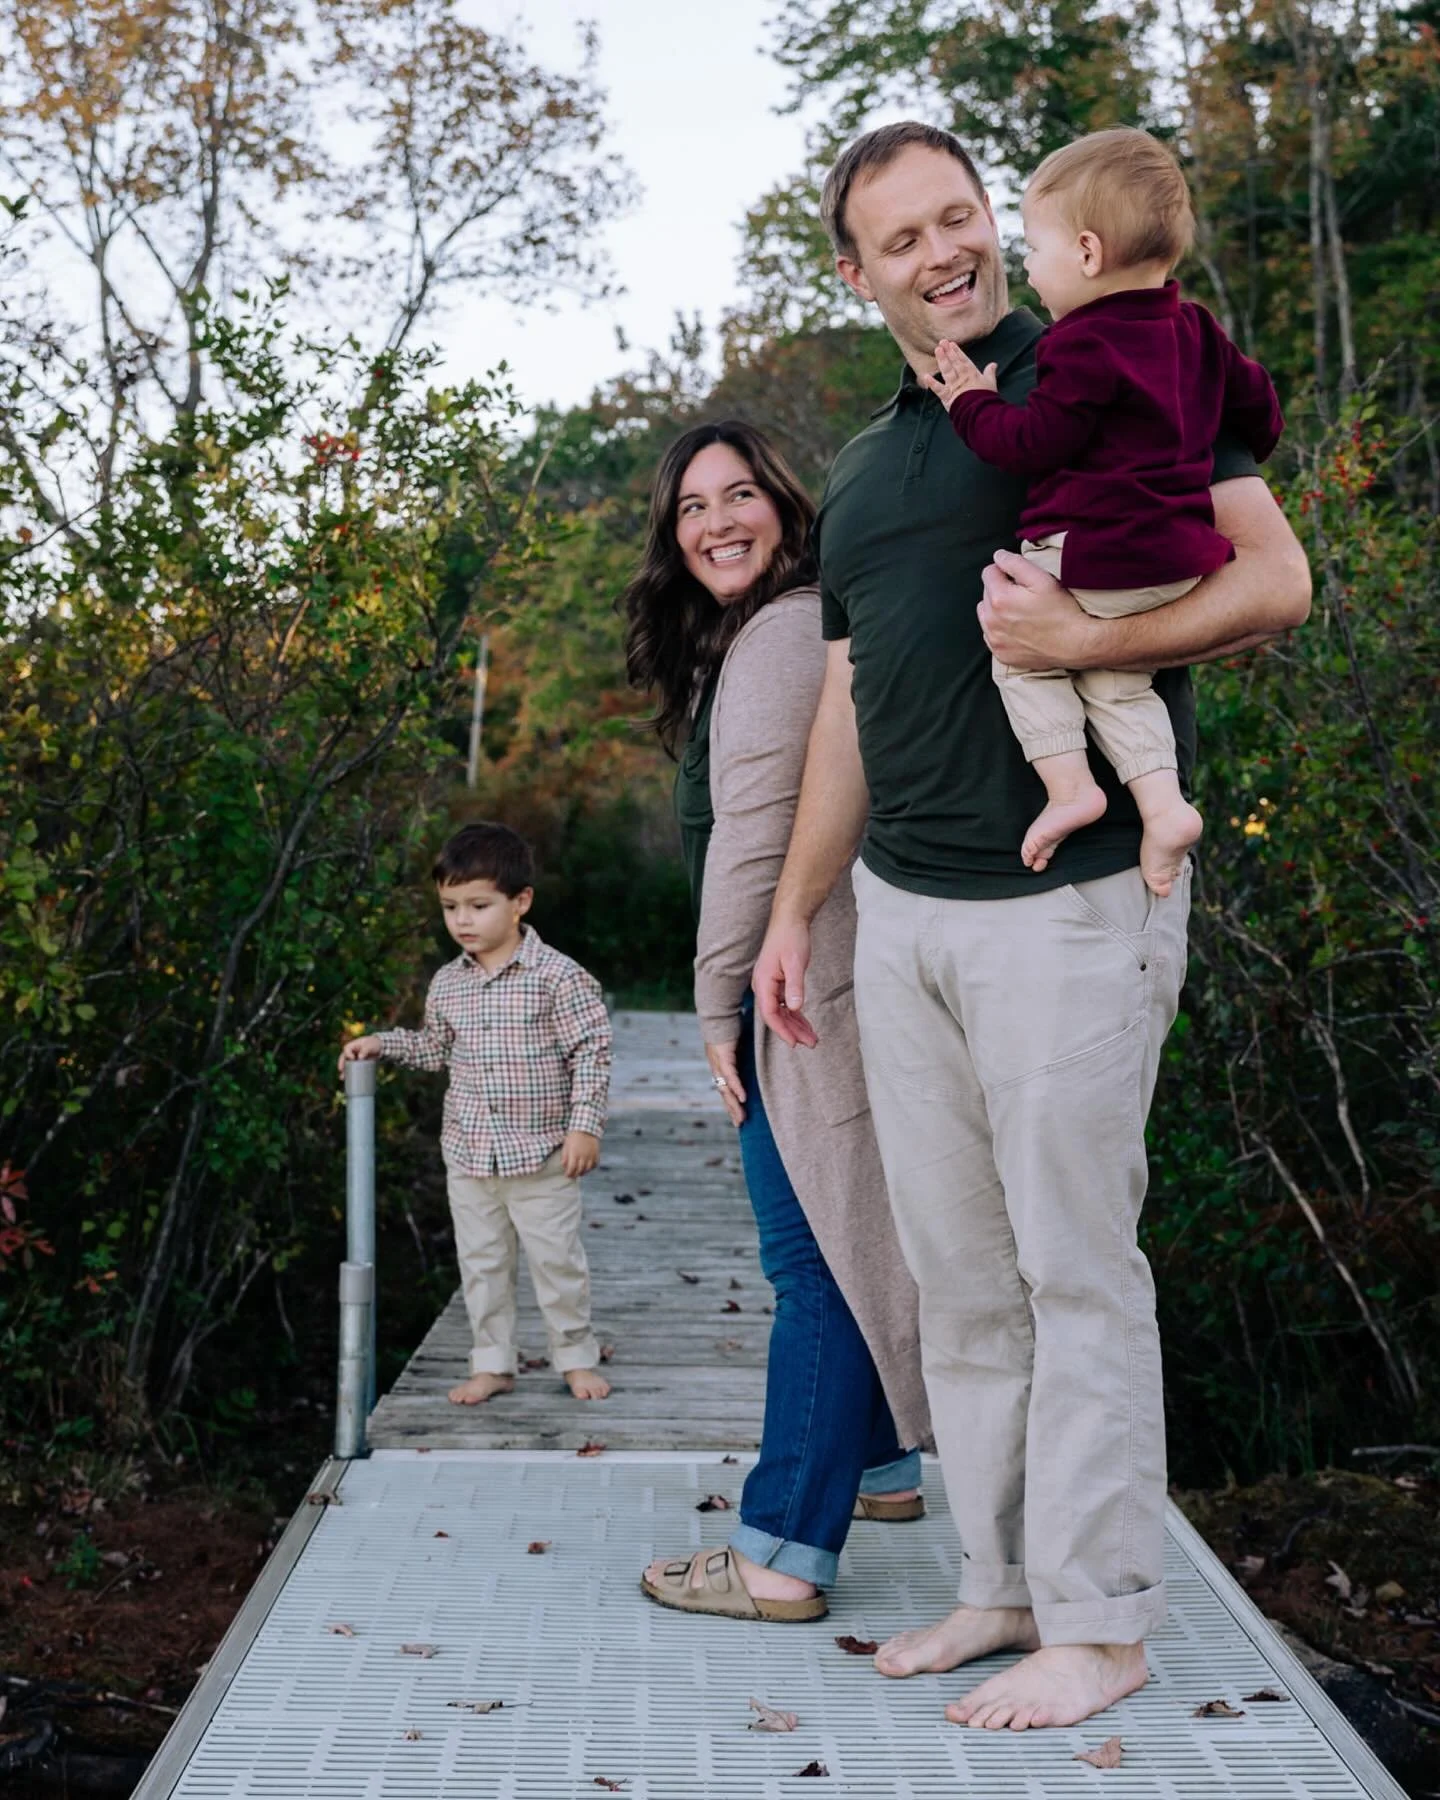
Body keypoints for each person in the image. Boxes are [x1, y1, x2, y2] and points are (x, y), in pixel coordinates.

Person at [753, 123, 1310, 1727]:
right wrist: (800, 910)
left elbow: (1273, 580)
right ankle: (1000, 1590)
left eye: (962, 216)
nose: (947, 253)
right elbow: (852, 703)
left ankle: (1106, 1623)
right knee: (960, 1284)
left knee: (1076, 1275)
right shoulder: (861, 465)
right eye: (904, 239)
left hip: (1071, 905)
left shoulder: (1119, 360)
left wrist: (1076, 629)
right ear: (855, 277)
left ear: (1001, 222)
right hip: (903, 918)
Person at [623, 420, 931, 1625]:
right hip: (839, 979)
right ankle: (884, 1469)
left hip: (803, 987)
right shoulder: (780, 636)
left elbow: (751, 848)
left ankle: (781, 1554)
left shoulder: (783, 635)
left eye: (738, 494)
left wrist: (712, 1005)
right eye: (691, 509)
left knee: (815, 1260)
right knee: (855, 1227)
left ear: (787, 506)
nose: (715, 523)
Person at [918, 128, 1284, 897]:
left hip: (1103, 554)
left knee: (1018, 645)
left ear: (1086, 253)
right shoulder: (1196, 329)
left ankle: (1069, 787)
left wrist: (971, 402)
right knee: (1117, 683)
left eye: (1036, 250)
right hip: (1178, 561)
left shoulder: (1079, 344)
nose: (1029, 267)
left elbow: (1032, 440)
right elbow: (1261, 411)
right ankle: (1164, 806)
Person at [338, 821, 613, 1406]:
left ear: (520, 903)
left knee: (557, 1263)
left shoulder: (557, 978)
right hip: (469, 1154)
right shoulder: (448, 985)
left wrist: (584, 1125)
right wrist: (383, 1042)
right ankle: (493, 1363)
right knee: (482, 1265)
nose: (463, 920)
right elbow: (434, 1048)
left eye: (478, 905)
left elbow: (591, 1049)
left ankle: (575, 1355)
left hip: (542, 1155)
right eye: (450, 907)